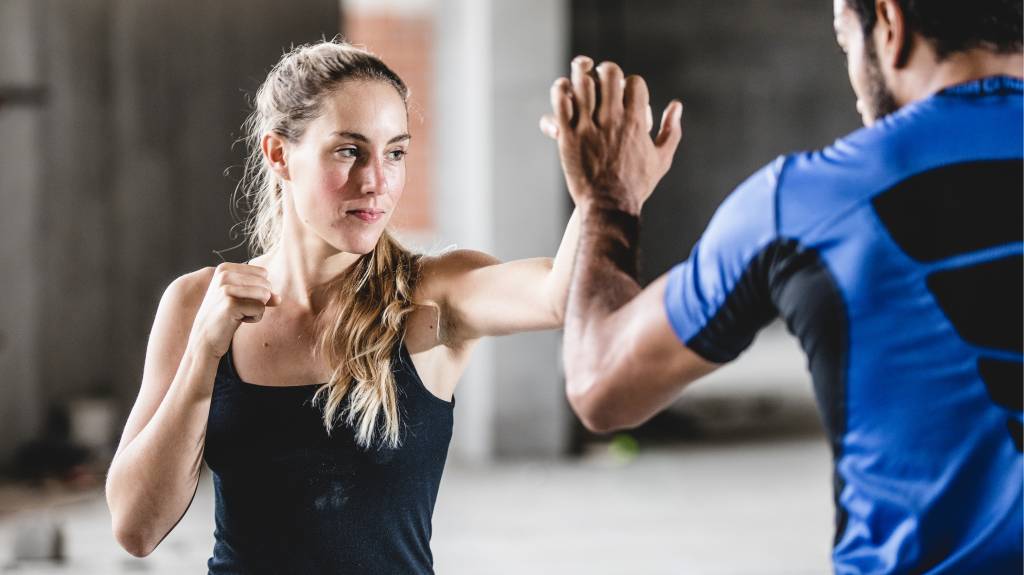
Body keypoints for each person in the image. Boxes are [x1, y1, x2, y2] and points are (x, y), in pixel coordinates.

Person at [543, 0, 1022, 572]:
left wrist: (609, 201)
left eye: (847, 43)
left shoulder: (803, 202)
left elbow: (601, 383)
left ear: (889, 26)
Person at [105, 40, 582, 573]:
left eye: (395, 153)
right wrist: (202, 356)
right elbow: (135, 528)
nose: (377, 181)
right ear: (280, 154)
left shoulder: (433, 295)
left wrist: (600, 198)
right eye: (349, 151)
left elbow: (562, 294)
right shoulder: (198, 303)